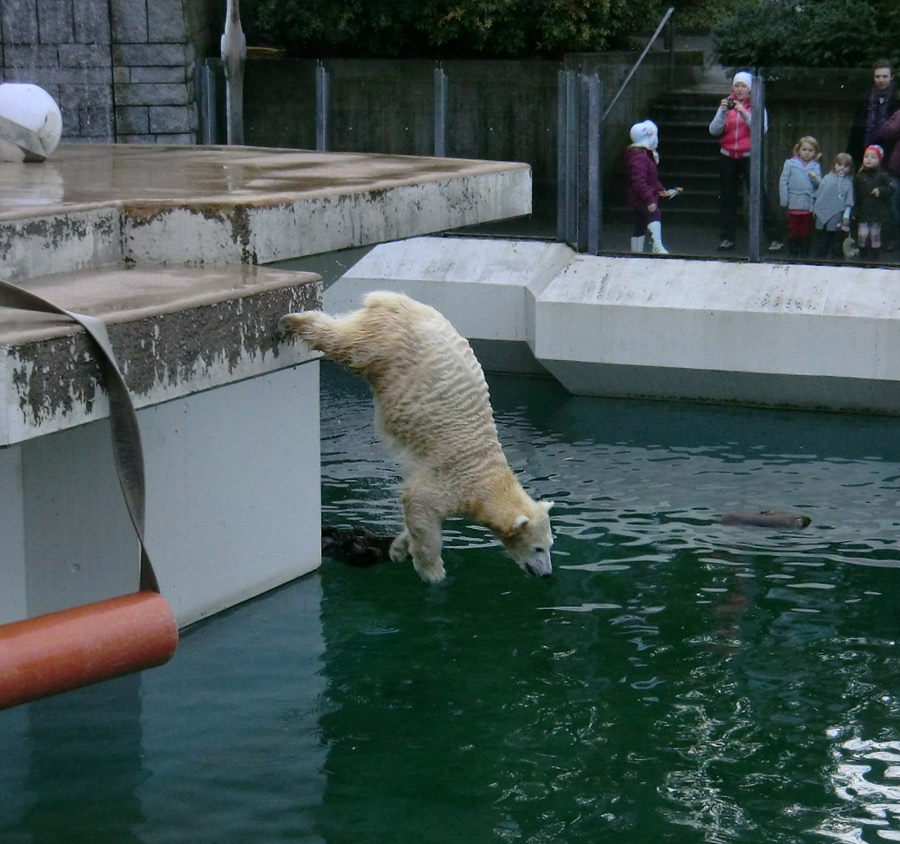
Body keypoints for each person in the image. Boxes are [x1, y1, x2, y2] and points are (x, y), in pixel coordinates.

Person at [709, 71, 781, 252]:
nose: (740, 90)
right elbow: (714, 130)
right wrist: (723, 113)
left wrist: (745, 114)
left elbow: (760, 129)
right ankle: (727, 238)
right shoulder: (727, 105)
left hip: (749, 157)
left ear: (749, 89)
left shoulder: (756, 106)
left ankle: (774, 238)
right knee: (727, 198)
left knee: (759, 196)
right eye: (737, 86)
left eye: (743, 86)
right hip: (727, 156)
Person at [848, 60, 900, 249]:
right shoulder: (865, 99)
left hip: (891, 156)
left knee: (889, 198)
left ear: (891, 77)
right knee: (864, 196)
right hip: (866, 153)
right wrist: (853, 155)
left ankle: (890, 238)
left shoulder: (897, 99)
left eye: (885, 76)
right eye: (878, 76)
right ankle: (864, 240)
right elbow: (856, 129)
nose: (881, 80)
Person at [624, 119, 682, 255]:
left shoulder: (641, 155)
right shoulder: (641, 158)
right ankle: (656, 245)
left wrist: (662, 190)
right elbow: (639, 181)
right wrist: (649, 199)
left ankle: (636, 251)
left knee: (640, 221)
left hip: (638, 196)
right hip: (641, 198)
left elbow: (651, 179)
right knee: (654, 214)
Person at [778, 136, 822, 257]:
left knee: (806, 230)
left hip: (808, 204)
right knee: (793, 229)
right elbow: (783, 182)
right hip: (793, 202)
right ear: (798, 150)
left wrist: (815, 178)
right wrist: (784, 200)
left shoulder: (815, 166)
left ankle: (804, 254)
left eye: (810, 150)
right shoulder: (790, 164)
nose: (807, 153)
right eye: (804, 149)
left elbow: (819, 185)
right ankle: (793, 253)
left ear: (815, 153)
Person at [853, 144, 894, 262]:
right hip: (863, 212)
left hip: (877, 212)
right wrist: (855, 211)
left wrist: (880, 190)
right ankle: (864, 257)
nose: (869, 159)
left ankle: (875, 258)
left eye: (873, 157)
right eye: (866, 156)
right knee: (862, 235)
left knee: (875, 235)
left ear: (879, 160)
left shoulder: (883, 176)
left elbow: (891, 189)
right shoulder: (859, 177)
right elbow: (855, 195)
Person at [813, 153, 854, 259]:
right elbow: (820, 193)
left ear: (850, 169)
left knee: (836, 241)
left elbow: (849, 201)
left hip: (837, 215)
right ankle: (820, 261)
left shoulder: (848, 183)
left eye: (846, 166)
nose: (842, 168)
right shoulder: (827, 178)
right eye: (839, 165)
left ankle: (836, 262)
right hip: (822, 213)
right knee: (822, 240)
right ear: (834, 165)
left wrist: (846, 215)